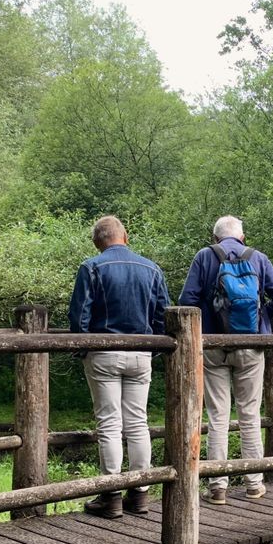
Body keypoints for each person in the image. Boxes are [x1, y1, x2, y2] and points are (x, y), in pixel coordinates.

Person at [179, 215, 273, 505]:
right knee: (250, 414)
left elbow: (187, 299)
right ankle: (254, 483)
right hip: (251, 343)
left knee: (218, 416)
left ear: (215, 237)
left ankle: (218, 487)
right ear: (242, 237)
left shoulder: (205, 256)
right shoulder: (258, 258)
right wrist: (263, 316)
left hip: (214, 344)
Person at [69, 215, 169, 519]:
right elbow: (164, 316)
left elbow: (79, 317)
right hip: (141, 353)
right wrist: (153, 348)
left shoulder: (91, 267)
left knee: (109, 423)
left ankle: (110, 495)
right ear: (124, 236)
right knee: (137, 422)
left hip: (103, 352)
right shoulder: (151, 268)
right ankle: (139, 493)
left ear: (97, 241)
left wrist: (85, 350)